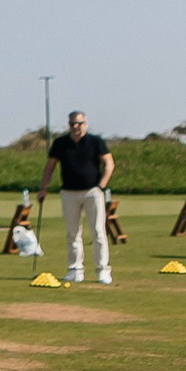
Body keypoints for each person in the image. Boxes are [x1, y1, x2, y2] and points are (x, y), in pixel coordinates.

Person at [38, 111, 116, 284]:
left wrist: (101, 186)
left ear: (85, 124)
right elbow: (50, 166)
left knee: (97, 231)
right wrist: (43, 188)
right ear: (69, 125)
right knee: (72, 233)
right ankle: (75, 269)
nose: (75, 127)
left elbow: (109, 164)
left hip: (91, 192)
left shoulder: (96, 142)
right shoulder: (60, 143)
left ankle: (102, 270)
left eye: (79, 123)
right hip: (68, 193)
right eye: (72, 124)